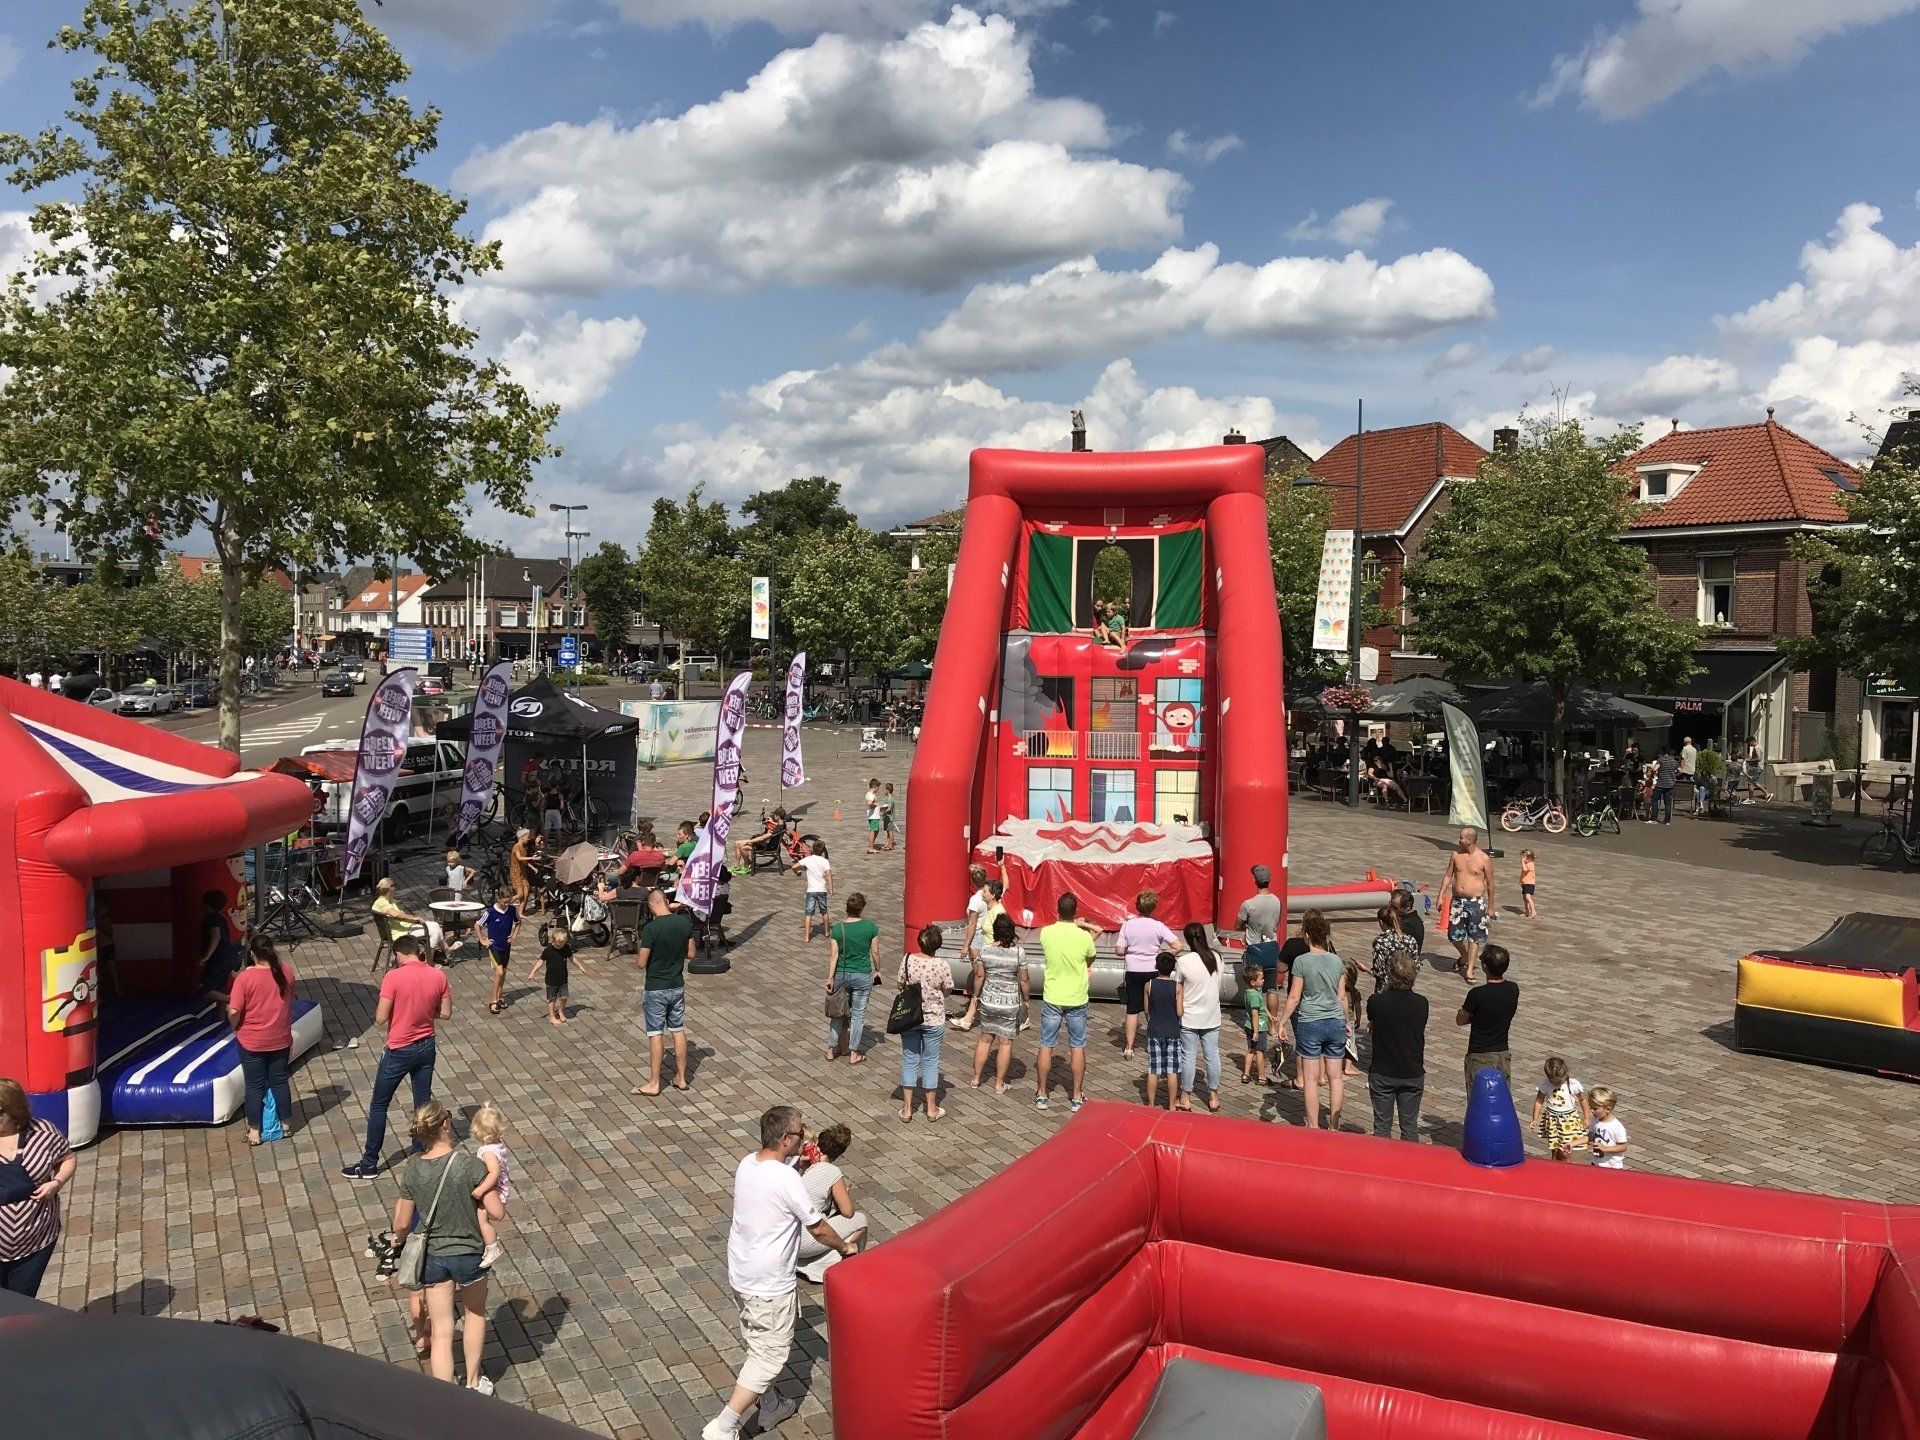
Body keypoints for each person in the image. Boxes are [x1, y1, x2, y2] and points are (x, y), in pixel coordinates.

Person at [705, 1106, 859, 1440]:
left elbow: (775, 1183)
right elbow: (818, 1228)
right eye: (801, 1133)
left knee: (757, 1342)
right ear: (786, 1138)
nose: (805, 1138)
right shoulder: (786, 1179)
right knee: (769, 1357)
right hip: (769, 1282)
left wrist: (797, 1165)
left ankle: (771, 1403)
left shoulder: (748, 1163)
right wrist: (844, 1247)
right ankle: (723, 1427)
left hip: (742, 1272)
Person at [382, 1101, 494, 1392]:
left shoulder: (413, 1168)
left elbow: (402, 1222)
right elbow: (496, 1211)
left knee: (442, 1332)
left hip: (432, 1256)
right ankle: (473, 1382)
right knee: (474, 1314)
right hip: (469, 1253)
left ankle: (445, 1395)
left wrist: (397, 1241)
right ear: (446, 1124)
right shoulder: (470, 1165)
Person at [342, 934, 451, 1180]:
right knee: (422, 1103)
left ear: (399, 953)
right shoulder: (438, 976)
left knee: (379, 1104)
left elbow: (380, 1018)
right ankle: (420, 1150)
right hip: (426, 1045)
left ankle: (369, 1163)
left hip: (399, 1049)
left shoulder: (393, 977)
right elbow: (445, 1013)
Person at [0, 1078, 78, 1297]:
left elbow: (67, 1158)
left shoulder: (43, 1132)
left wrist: (57, 1183)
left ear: (14, 1110)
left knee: (21, 1303)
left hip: (35, 1243)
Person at [226, 934, 296, 1146]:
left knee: (254, 1085)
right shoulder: (286, 971)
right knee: (280, 1081)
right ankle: (286, 1125)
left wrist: (234, 1025)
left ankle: (255, 1132)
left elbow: (234, 1010)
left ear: (252, 954)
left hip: (252, 1041)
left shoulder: (245, 979)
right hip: (280, 1038)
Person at [1279, 909, 1345, 1130]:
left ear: (1306, 935)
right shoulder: (1336, 961)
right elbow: (1342, 997)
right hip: (1335, 1019)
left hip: (1310, 1021)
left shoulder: (1301, 961)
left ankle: (1314, 1126)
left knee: (1309, 1079)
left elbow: (1294, 997)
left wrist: (1282, 1021)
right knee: (1335, 1077)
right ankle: (1334, 1125)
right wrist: (1346, 1022)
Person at [1033, 893, 1097, 1112]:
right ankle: (1077, 1096)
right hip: (1077, 997)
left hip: (1053, 995)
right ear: (1075, 912)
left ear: (1057, 910)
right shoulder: (1084, 936)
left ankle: (1042, 1094)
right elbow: (1090, 958)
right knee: (1077, 1046)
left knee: (1046, 1044)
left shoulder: (1046, 933)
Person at [794, 1124, 869, 1283]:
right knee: (859, 1220)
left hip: (789, 1236)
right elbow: (847, 1212)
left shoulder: (804, 1162)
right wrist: (845, 1193)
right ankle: (847, 1262)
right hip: (806, 1241)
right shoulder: (831, 1171)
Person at [1366, 953, 1427, 1142]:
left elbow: (1372, 1020)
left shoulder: (1377, 1001)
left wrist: (1386, 988)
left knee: (1382, 1127)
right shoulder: (1421, 1003)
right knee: (1410, 1127)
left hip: (1383, 1071)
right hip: (1411, 1071)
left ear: (1390, 975)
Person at [897, 925, 952, 1122]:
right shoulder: (942, 965)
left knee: (909, 1059)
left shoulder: (908, 959)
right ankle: (931, 1108)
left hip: (910, 1018)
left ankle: (907, 1109)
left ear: (919, 941)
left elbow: (900, 984)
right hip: (934, 1018)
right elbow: (948, 988)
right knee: (931, 1061)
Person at [969, 913, 1028, 1091]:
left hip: (989, 1001)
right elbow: (1024, 980)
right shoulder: (1018, 953)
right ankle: (999, 1083)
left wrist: (975, 996)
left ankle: (976, 1079)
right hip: (1009, 1004)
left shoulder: (985, 950)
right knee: (1005, 1043)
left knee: (985, 1039)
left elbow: (980, 976)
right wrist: (1026, 1000)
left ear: (995, 931)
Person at [1117, 890, 1178, 1057]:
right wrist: (1162, 953)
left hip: (1133, 970)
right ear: (1153, 907)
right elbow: (1178, 945)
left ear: (1137, 906)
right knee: (1152, 1008)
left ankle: (1129, 1047)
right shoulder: (1158, 926)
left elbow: (1119, 950)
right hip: (1152, 969)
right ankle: (1155, 1044)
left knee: (1132, 1009)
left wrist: (1130, 951)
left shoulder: (1127, 925)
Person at [825, 892, 880, 1065]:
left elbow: (834, 956)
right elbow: (875, 952)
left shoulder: (838, 928)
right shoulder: (870, 927)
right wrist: (878, 970)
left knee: (838, 1013)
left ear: (847, 909)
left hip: (841, 975)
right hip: (862, 975)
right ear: (861, 909)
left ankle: (831, 1049)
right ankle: (853, 1052)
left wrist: (830, 978)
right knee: (858, 1015)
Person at [1456, 943, 1519, 1092]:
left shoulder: (1477, 994)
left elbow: (1460, 1020)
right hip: (1502, 1054)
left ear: (1484, 967)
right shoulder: (1513, 989)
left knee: (1479, 1101)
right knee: (1502, 1100)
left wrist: (1470, 1015)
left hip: (1480, 1056)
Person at [1175, 921, 1223, 1113]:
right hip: (1211, 1015)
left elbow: (1178, 990)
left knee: (1188, 1056)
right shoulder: (1217, 957)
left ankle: (1185, 1097)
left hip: (1189, 1016)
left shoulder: (1184, 961)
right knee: (1212, 1056)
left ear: (1187, 940)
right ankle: (1213, 1096)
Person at [1438, 827, 1494, 982]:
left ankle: (1470, 969)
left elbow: (1490, 884)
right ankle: (1464, 956)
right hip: (1457, 901)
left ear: (1470, 840)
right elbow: (1448, 875)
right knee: (1453, 935)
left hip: (1475, 901)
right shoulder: (1456, 854)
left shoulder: (1484, 859)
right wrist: (1441, 895)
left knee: (1474, 936)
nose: (1459, 840)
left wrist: (1490, 907)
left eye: (1461, 837)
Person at [470, 1103, 512, 1270]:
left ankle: (492, 1246)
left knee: (482, 1218)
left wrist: (481, 1189)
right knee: (481, 1217)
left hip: (492, 1189)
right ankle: (489, 1238)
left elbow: (493, 1172)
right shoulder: (498, 1145)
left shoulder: (487, 1152)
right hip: (499, 1187)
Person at [1143, 951, 1183, 1109]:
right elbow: (1179, 1012)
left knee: (1153, 1070)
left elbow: (1146, 1009)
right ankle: (1172, 1104)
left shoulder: (1149, 985)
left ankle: (1151, 1103)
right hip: (1172, 1030)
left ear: (1156, 966)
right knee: (1172, 1071)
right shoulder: (1177, 986)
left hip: (1155, 1030)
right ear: (1173, 968)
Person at [1530, 1056, 1590, 1161]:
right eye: (1553, 1081)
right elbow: (1539, 1101)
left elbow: (1582, 1099)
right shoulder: (1545, 1084)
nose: (1555, 1084)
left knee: (1565, 1151)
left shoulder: (1572, 1084)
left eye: (1558, 1081)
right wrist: (1535, 1119)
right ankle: (1555, 1168)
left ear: (1565, 1074)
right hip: (1552, 1120)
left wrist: (1587, 1117)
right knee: (1554, 1150)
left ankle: (1567, 1168)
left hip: (1568, 1121)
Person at [373, 876, 446, 963]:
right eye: (393, 885)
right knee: (434, 932)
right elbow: (396, 915)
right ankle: (428, 963)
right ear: (390, 889)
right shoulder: (382, 903)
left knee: (435, 925)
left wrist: (407, 916)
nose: (395, 888)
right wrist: (413, 918)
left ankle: (446, 950)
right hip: (400, 933)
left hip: (406, 927)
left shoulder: (390, 900)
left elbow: (401, 913)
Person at [477, 887, 520, 1016]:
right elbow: (477, 925)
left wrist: (514, 936)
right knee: (499, 972)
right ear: (498, 899)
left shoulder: (512, 910)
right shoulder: (490, 912)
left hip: (506, 946)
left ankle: (499, 996)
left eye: (509, 901)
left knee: (504, 971)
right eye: (504, 902)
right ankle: (493, 1000)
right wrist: (482, 940)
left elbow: (518, 922)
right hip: (494, 946)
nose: (506, 904)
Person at [198, 889, 242, 996]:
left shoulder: (211, 918)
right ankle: (224, 1007)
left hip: (217, 959)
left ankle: (235, 1002)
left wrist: (207, 955)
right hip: (226, 957)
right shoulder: (220, 918)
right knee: (220, 988)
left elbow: (216, 935)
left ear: (208, 905)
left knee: (207, 989)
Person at [1369, 905, 1418, 994]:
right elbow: (1416, 966)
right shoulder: (1411, 940)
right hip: (1406, 988)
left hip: (1385, 990)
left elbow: (1379, 972)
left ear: (1381, 922)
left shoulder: (1380, 942)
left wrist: (1366, 969)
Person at [793, 839, 832, 945]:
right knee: (824, 911)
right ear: (823, 851)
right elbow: (829, 875)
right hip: (822, 890)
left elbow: (794, 866)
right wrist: (831, 889)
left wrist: (797, 872)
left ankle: (806, 937)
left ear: (812, 849)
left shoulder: (808, 859)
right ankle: (827, 931)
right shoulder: (825, 861)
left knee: (808, 913)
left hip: (811, 891)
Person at [1239, 961, 1270, 1085]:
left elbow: (1261, 1006)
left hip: (1248, 1025)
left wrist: (1269, 1015)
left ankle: (1246, 1074)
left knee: (1250, 1050)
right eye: (1261, 979)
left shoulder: (1250, 992)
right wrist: (1256, 1032)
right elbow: (1255, 1014)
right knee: (1259, 1052)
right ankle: (1262, 1077)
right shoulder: (1255, 996)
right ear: (1253, 982)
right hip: (1259, 1027)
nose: (1263, 980)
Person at [1588, 1086, 1629, 1168]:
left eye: (1595, 1108)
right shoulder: (1595, 1120)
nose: (1591, 1110)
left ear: (1608, 1109)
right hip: (1596, 1162)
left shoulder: (1616, 1127)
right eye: (1590, 1107)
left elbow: (1623, 1147)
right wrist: (1573, 1143)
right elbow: (1590, 1136)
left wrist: (1605, 1148)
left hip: (1612, 1166)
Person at [508, 828, 538, 912]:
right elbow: (519, 858)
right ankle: (504, 904)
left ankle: (521, 913)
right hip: (516, 873)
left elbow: (524, 862)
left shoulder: (523, 848)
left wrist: (532, 867)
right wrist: (532, 858)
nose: (529, 839)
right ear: (522, 837)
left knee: (526, 892)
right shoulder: (516, 847)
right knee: (520, 894)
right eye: (528, 837)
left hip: (522, 873)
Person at [1648, 745, 1678, 825]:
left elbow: (1655, 769)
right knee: (1667, 802)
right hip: (1670, 784)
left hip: (1661, 783)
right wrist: (1674, 775)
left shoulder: (1661, 759)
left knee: (1654, 799)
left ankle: (1654, 818)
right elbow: (1681, 770)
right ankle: (1667, 820)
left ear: (1662, 751)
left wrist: (1652, 775)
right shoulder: (1674, 761)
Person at [1741, 738, 1772, 804]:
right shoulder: (1760, 746)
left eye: (1749, 743)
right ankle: (1767, 794)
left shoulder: (1757, 748)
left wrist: (1749, 760)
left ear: (1752, 741)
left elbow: (1758, 758)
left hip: (1756, 768)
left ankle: (1751, 799)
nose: (1749, 745)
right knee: (1754, 782)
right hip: (1758, 767)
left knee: (1750, 782)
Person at [1678, 735, 1699, 815]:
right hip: (1692, 769)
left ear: (1685, 742)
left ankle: (1683, 796)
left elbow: (1683, 759)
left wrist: (1681, 769)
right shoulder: (1694, 749)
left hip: (1686, 769)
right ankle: (1694, 794)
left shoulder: (1685, 749)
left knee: (1684, 783)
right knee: (1691, 783)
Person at [864, 778, 883, 853]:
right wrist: (876, 804)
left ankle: (871, 845)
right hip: (874, 816)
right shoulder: (871, 795)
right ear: (874, 787)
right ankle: (870, 848)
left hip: (872, 815)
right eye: (878, 788)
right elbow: (869, 803)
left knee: (876, 830)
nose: (878, 789)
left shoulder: (868, 793)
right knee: (873, 831)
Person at [1519, 850, 1538, 918]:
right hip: (1525, 883)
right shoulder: (1526, 864)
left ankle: (1533, 911)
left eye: (1524, 857)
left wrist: (1522, 862)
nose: (1523, 859)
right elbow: (1523, 874)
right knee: (1525, 898)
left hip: (1529, 883)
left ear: (1529, 858)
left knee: (1528, 897)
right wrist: (1521, 881)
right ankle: (1527, 912)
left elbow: (1525, 869)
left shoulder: (1530, 864)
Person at [880, 783, 897, 850]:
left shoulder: (889, 799)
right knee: (888, 831)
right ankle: (887, 844)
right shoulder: (889, 798)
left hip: (889, 818)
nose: (884, 791)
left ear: (887, 790)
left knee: (890, 831)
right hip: (887, 817)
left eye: (884, 789)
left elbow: (889, 808)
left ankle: (890, 845)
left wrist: (883, 812)